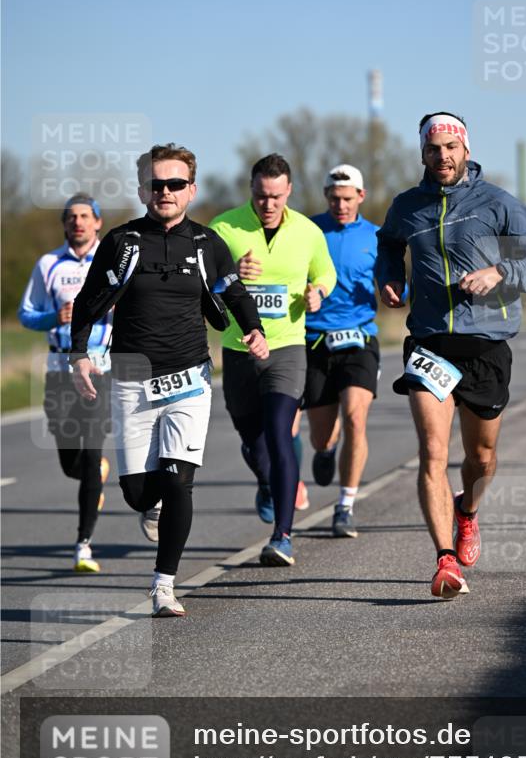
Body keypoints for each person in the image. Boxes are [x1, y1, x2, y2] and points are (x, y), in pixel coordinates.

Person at [69, 144, 267, 616]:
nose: (165, 192)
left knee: (180, 481)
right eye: (156, 184)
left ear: (191, 190)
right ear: (142, 191)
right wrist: (78, 355)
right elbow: (88, 300)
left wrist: (254, 329)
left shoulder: (206, 243)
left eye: (175, 184)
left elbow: (233, 291)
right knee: (138, 492)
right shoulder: (122, 242)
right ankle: (151, 505)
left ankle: (164, 585)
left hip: (189, 378)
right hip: (132, 379)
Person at [376, 112, 526, 600]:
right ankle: (445, 561)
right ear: (422, 152)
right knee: (433, 453)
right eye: (433, 148)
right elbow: (389, 243)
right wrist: (389, 276)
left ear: (466, 150)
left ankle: (468, 512)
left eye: (451, 147)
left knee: (481, 457)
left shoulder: (497, 203)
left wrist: (500, 272)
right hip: (430, 344)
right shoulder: (407, 206)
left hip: (486, 345)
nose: (443, 156)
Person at [210, 153, 336, 566]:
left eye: (277, 197)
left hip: (286, 348)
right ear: (251, 189)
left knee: (281, 434)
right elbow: (200, 284)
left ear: (289, 192)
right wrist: (229, 275)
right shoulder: (224, 228)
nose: (269, 204)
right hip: (239, 350)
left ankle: (282, 536)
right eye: (262, 195)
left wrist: (318, 292)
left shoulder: (307, 231)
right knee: (254, 441)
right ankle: (266, 483)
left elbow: (326, 273)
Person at [18, 194, 112, 573]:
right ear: (64, 223)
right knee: (69, 460)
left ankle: (83, 544)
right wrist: (53, 317)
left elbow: (142, 305)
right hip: (59, 369)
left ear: (97, 222)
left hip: (100, 368)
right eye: (72, 216)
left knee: (89, 454)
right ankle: (95, 471)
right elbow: (26, 314)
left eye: (85, 216)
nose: (78, 222)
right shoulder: (48, 264)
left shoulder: (114, 260)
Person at [303, 163, 381, 538]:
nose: (341, 205)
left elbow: (395, 282)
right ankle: (325, 449)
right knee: (320, 435)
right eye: (334, 198)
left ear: (361, 196)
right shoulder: (308, 231)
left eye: (348, 198)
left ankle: (345, 505)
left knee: (355, 416)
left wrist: (396, 291)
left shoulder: (377, 236)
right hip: (315, 339)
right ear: (326, 196)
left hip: (360, 339)